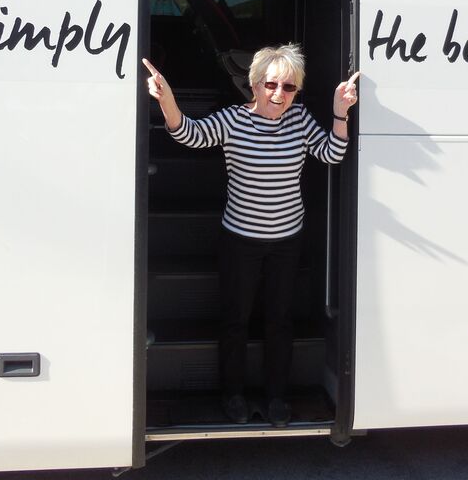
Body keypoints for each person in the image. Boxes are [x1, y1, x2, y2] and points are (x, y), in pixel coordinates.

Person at [142, 44, 359, 427]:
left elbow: (331, 154)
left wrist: (340, 113)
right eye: (271, 84)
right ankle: (233, 395)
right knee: (235, 321)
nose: (279, 94)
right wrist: (167, 100)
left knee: (280, 321)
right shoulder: (233, 120)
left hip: (286, 240)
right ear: (254, 84)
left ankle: (277, 398)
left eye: (289, 87)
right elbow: (189, 134)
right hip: (240, 240)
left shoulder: (299, 120)